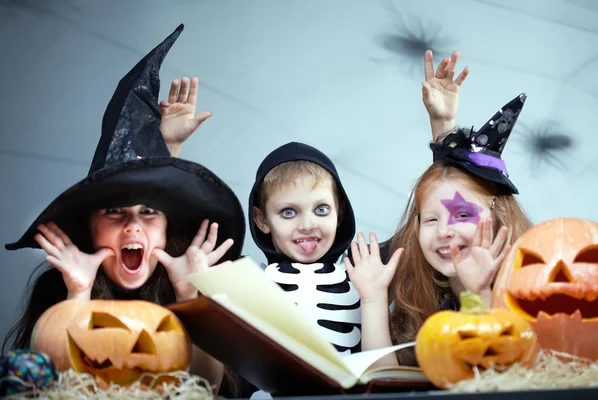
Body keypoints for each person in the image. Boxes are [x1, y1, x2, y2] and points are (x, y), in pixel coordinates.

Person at [2, 24, 246, 392]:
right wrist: (78, 295)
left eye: (148, 213)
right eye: (115, 212)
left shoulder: (189, 284)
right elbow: (46, 388)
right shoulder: (59, 287)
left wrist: (188, 294)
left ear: (168, 229)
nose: (132, 226)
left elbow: (205, 388)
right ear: (90, 227)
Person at [345, 50, 533, 367]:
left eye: (462, 216)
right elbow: (384, 382)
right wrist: (374, 299)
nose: (443, 230)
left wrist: (478, 296)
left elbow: (496, 376)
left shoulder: (534, 282)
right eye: (430, 220)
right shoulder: (425, 283)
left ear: (498, 217)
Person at [248, 142, 362, 354]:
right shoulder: (240, 283)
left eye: (321, 209)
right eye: (288, 212)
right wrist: (169, 145)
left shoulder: (366, 271)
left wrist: (442, 132)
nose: (308, 225)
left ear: (340, 212)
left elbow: (425, 224)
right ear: (261, 219)